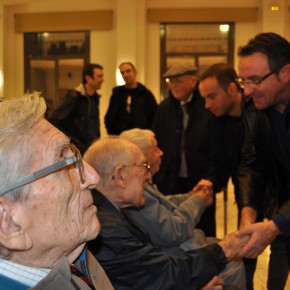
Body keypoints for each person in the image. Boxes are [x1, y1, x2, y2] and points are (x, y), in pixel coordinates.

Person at [84, 137, 248, 290]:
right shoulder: (106, 228)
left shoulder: (107, 211)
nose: (148, 176)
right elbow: (162, 275)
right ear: (120, 176)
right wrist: (225, 249)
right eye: (144, 167)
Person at [0, 92, 113, 289]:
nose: (93, 177)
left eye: (73, 154)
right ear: (9, 223)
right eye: (62, 163)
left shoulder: (70, 249)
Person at [234, 32, 290, 290]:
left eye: (255, 80)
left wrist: (275, 225)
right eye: (243, 80)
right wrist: (248, 210)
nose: (247, 90)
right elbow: (252, 162)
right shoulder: (253, 108)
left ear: (285, 73)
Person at [194, 63, 257, 290]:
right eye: (204, 98)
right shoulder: (217, 121)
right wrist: (210, 183)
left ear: (232, 89)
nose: (207, 105)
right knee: (246, 253)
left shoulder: (258, 113)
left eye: (212, 96)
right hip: (247, 198)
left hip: (275, 196)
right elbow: (219, 162)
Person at [119, 128, 214, 252]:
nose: (161, 153)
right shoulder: (135, 192)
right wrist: (198, 200)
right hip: (172, 256)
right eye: (155, 149)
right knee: (234, 264)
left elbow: (161, 202)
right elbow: (174, 232)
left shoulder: (137, 186)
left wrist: (191, 196)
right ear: (142, 156)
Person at [152, 63, 217, 236]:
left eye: (178, 81)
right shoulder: (164, 108)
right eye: (170, 81)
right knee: (172, 228)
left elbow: (216, 146)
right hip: (169, 179)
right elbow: (156, 142)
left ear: (193, 81)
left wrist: (212, 178)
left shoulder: (207, 106)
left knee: (202, 228)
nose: (173, 86)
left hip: (199, 179)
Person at [49, 63, 104, 154]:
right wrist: (69, 141)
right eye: (99, 76)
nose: (102, 79)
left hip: (92, 148)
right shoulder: (74, 96)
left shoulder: (95, 97)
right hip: (78, 150)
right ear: (88, 78)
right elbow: (53, 118)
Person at [104, 62, 157, 135]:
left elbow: (154, 117)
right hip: (120, 137)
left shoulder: (146, 94)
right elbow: (110, 116)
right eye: (122, 73)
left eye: (128, 71)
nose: (125, 75)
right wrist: (113, 132)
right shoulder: (117, 94)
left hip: (141, 137)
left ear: (135, 73)